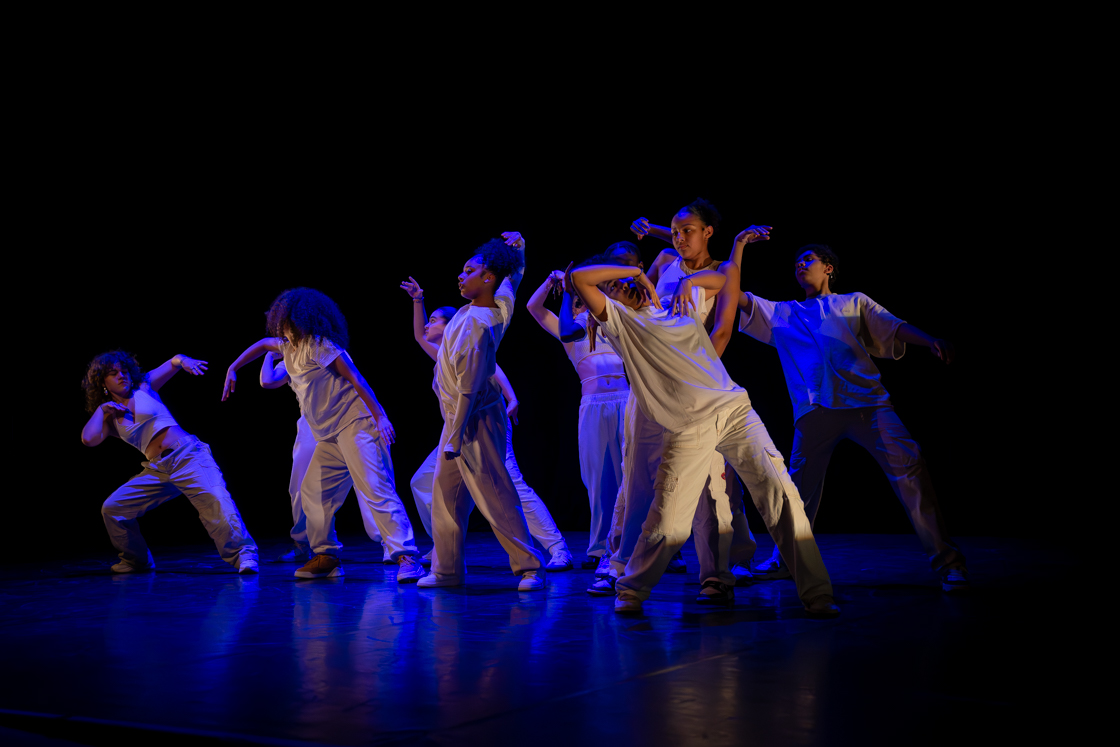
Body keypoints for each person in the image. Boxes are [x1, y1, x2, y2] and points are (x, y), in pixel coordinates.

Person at [570, 256, 838, 617]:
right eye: (614, 289)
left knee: (781, 494)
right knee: (669, 520)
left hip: (734, 410)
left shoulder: (678, 306)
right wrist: (633, 271)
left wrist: (687, 283)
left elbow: (726, 278)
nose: (625, 289)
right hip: (688, 425)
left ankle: (817, 592)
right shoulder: (621, 324)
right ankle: (632, 586)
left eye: (626, 284)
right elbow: (580, 277)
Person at [734, 243, 969, 592]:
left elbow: (893, 327)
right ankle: (786, 560)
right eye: (797, 262)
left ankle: (949, 563)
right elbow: (733, 293)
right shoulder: (782, 312)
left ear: (829, 268)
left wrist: (929, 340)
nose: (800, 265)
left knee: (911, 470)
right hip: (815, 413)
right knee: (798, 490)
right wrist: (735, 246)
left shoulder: (852, 302)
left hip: (868, 405)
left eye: (808, 259)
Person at [222, 288, 424, 582]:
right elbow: (264, 345)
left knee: (375, 489)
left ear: (295, 318)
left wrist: (380, 416)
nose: (276, 323)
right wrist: (233, 366)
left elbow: (355, 377)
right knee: (312, 493)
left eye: (282, 317)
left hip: (356, 425)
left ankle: (407, 557)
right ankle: (327, 556)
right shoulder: (287, 347)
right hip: (327, 435)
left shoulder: (318, 344)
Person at [399, 282, 572, 570]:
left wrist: (512, 396)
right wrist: (419, 300)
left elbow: (493, 366)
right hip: (456, 431)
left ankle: (557, 548)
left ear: (450, 323)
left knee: (513, 484)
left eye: (433, 320)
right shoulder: (442, 352)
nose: (428, 325)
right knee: (422, 481)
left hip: (484, 423)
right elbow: (419, 336)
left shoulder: (467, 340)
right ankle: (444, 547)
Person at [416, 231, 547, 591]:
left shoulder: (479, 325)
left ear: (487, 278)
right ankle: (446, 570)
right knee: (445, 495)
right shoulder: (488, 305)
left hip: (474, 419)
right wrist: (519, 248)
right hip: (456, 420)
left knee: (495, 492)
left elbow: (469, 390)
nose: (461, 275)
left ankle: (529, 567)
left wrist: (455, 437)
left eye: (469, 270)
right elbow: (514, 279)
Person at [81, 350, 259, 573]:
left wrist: (185, 362)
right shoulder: (109, 418)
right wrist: (101, 409)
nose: (121, 375)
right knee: (113, 508)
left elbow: (174, 361)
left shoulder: (144, 386)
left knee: (216, 499)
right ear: (102, 382)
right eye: (113, 373)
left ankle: (244, 554)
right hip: (158, 469)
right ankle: (136, 560)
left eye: (124, 370)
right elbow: (88, 439)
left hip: (189, 455)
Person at [526, 256, 628, 575]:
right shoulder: (570, 326)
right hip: (594, 404)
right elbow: (533, 306)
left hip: (627, 399)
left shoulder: (614, 317)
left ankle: (635, 545)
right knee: (598, 478)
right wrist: (557, 283)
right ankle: (600, 546)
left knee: (633, 475)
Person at [259, 351, 393, 564]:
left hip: (347, 418)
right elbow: (268, 381)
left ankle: (389, 542)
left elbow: (356, 378)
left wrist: (379, 416)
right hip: (311, 424)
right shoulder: (291, 357)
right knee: (301, 485)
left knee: (370, 482)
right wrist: (269, 355)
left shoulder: (324, 346)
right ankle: (303, 543)